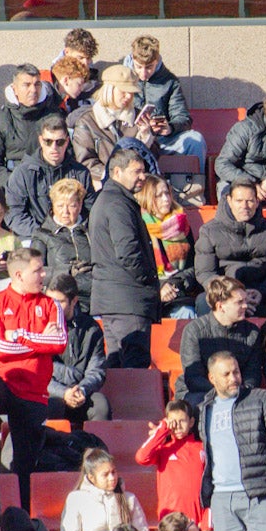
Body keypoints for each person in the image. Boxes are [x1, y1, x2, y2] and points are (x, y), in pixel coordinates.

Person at [0, 248, 67, 492]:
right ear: (18, 275)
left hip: (33, 392)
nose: (44, 274)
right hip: (2, 381)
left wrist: (19, 336)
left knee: (25, 469)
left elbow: (59, 342)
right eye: (37, 270)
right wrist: (40, 342)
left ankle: (24, 520)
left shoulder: (51, 305)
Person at [198, 351, 266, 531]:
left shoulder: (262, 399)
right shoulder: (203, 408)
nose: (234, 378)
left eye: (236, 372)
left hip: (260, 496)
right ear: (212, 378)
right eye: (226, 374)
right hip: (221, 500)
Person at [89, 149, 159, 368]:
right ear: (117, 171)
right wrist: (148, 281)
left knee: (118, 364)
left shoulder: (110, 199)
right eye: (136, 171)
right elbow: (128, 252)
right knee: (134, 365)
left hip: (114, 298)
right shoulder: (118, 204)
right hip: (128, 299)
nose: (143, 176)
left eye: (144, 171)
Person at [193, 181, 266, 318]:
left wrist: (262, 292)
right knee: (204, 301)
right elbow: (205, 273)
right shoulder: (209, 231)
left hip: (260, 292)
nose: (244, 206)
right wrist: (232, 296)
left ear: (257, 201)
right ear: (229, 200)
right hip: (225, 294)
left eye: (250, 201)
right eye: (239, 201)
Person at [4, 113, 96, 239]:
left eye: (60, 142)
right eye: (48, 141)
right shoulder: (23, 173)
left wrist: (71, 230)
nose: (54, 147)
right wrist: (45, 234)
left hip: (72, 235)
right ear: (41, 140)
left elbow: (91, 212)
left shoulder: (81, 173)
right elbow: (14, 215)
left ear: (67, 141)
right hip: (34, 237)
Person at [124, 34, 207, 173]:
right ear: (132, 59)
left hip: (162, 140)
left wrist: (170, 128)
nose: (143, 73)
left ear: (157, 61)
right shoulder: (122, 78)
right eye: (138, 67)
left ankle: (197, 187)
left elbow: (183, 117)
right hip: (131, 137)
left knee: (195, 140)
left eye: (149, 67)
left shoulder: (169, 81)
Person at [176, 277, 262, 405]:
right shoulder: (194, 331)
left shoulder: (252, 332)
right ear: (221, 306)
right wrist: (221, 395)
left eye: (245, 301)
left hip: (239, 391)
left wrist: (240, 392)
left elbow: (252, 373)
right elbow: (194, 377)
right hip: (201, 393)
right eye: (239, 302)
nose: (245, 305)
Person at [71, 65, 158, 187]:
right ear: (109, 89)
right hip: (103, 184)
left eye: (132, 92)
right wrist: (115, 176)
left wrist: (147, 138)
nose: (128, 96)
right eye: (123, 91)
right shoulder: (87, 122)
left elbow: (153, 159)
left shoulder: (139, 118)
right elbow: (86, 161)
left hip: (138, 183)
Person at [0, 63, 63, 187]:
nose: (33, 90)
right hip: (12, 182)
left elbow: (66, 155)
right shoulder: (0, 118)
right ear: (14, 89)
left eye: (37, 84)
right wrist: (15, 183)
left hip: (48, 182)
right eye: (27, 85)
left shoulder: (54, 117)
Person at [43, 274, 109, 423]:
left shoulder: (91, 329)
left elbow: (97, 371)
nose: (53, 307)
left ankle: (96, 446)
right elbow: (38, 372)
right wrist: (64, 392)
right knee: (49, 407)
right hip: (51, 393)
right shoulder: (39, 327)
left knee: (101, 406)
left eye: (59, 302)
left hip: (81, 393)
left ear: (74, 301)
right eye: (49, 301)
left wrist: (82, 390)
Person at [136, 175, 198, 320]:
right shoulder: (139, 228)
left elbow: (194, 266)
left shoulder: (182, 225)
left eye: (167, 193)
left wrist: (173, 284)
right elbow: (138, 269)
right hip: (148, 297)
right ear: (147, 198)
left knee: (186, 312)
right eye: (158, 195)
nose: (165, 199)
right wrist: (160, 287)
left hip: (179, 293)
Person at [60, 448, 151, 531]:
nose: (112, 478)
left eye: (113, 472)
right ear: (91, 477)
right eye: (105, 475)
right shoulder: (76, 499)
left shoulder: (129, 499)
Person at [135, 399, 205, 523]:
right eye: (173, 422)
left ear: (191, 422)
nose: (177, 426)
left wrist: (206, 519)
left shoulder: (202, 448)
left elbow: (211, 484)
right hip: (170, 520)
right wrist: (162, 430)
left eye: (182, 421)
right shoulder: (164, 449)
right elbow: (141, 457)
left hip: (197, 519)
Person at [29, 178, 94, 302]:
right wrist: (67, 271)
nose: (65, 212)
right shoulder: (42, 234)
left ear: (80, 206)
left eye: (72, 206)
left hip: (93, 296)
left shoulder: (91, 230)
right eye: (60, 206)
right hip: (60, 298)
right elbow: (35, 270)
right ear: (53, 206)